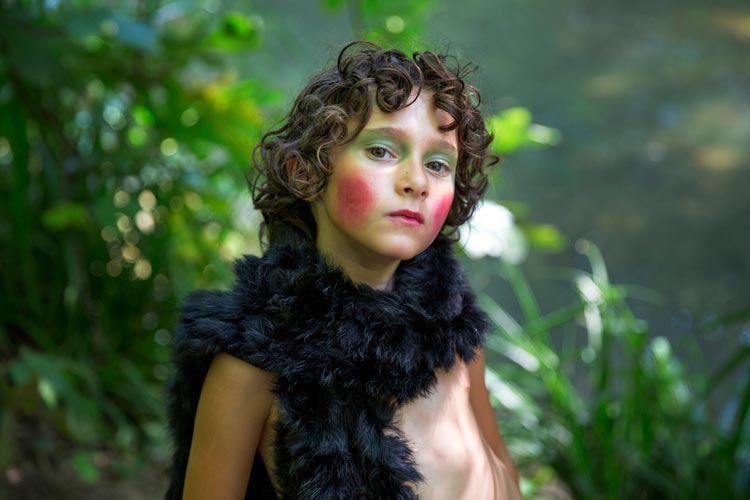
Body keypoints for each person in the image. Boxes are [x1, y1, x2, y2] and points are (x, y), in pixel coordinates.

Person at [166, 41, 522, 500]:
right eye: (382, 151)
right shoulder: (251, 365)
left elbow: (501, 471)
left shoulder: (454, 333)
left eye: (438, 164)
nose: (416, 181)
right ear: (307, 172)